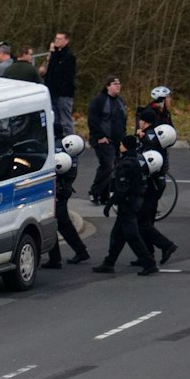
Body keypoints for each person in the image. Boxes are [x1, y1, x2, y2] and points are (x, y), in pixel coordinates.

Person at [92, 139, 156, 276]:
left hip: (127, 204)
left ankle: (149, 263)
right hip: (136, 200)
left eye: (121, 144)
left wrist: (110, 203)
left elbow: (122, 188)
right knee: (117, 235)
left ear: (126, 147)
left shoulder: (126, 164)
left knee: (132, 235)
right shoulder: (140, 160)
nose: (119, 146)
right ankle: (109, 263)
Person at [44, 135, 90, 269]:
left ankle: (56, 258)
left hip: (58, 192)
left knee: (53, 223)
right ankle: (79, 251)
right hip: (61, 192)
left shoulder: (61, 152)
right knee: (63, 224)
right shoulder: (69, 156)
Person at [138, 131, 178, 268]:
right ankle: (147, 253)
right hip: (155, 188)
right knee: (145, 222)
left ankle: (166, 245)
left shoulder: (155, 149)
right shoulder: (160, 148)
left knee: (143, 222)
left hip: (151, 189)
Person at [87, 76, 128, 205]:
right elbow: (92, 120)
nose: (118, 86)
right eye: (115, 84)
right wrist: (99, 136)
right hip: (103, 140)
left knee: (115, 168)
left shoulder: (120, 101)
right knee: (107, 165)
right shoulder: (99, 100)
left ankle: (105, 196)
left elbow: (123, 121)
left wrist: (124, 139)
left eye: (119, 83)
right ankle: (94, 192)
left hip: (117, 141)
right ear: (107, 86)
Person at [45, 32, 78, 129]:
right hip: (52, 92)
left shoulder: (68, 57)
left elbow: (68, 76)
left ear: (66, 40)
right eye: (56, 38)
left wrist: (63, 91)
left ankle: (71, 141)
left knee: (65, 120)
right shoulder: (55, 55)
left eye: (60, 39)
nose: (57, 41)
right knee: (55, 120)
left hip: (63, 94)